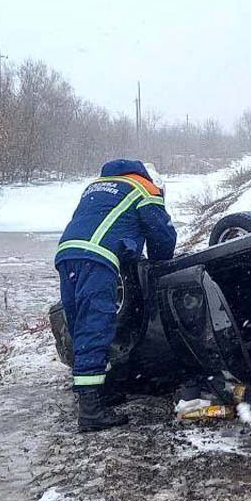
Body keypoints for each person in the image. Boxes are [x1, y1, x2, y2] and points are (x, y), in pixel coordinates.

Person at [55, 158, 177, 432]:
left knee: (79, 324)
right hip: (97, 258)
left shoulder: (98, 185)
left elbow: (108, 222)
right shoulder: (145, 188)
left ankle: (97, 392)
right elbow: (161, 234)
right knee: (96, 324)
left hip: (67, 253)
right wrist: (160, 262)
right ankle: (90, 411)